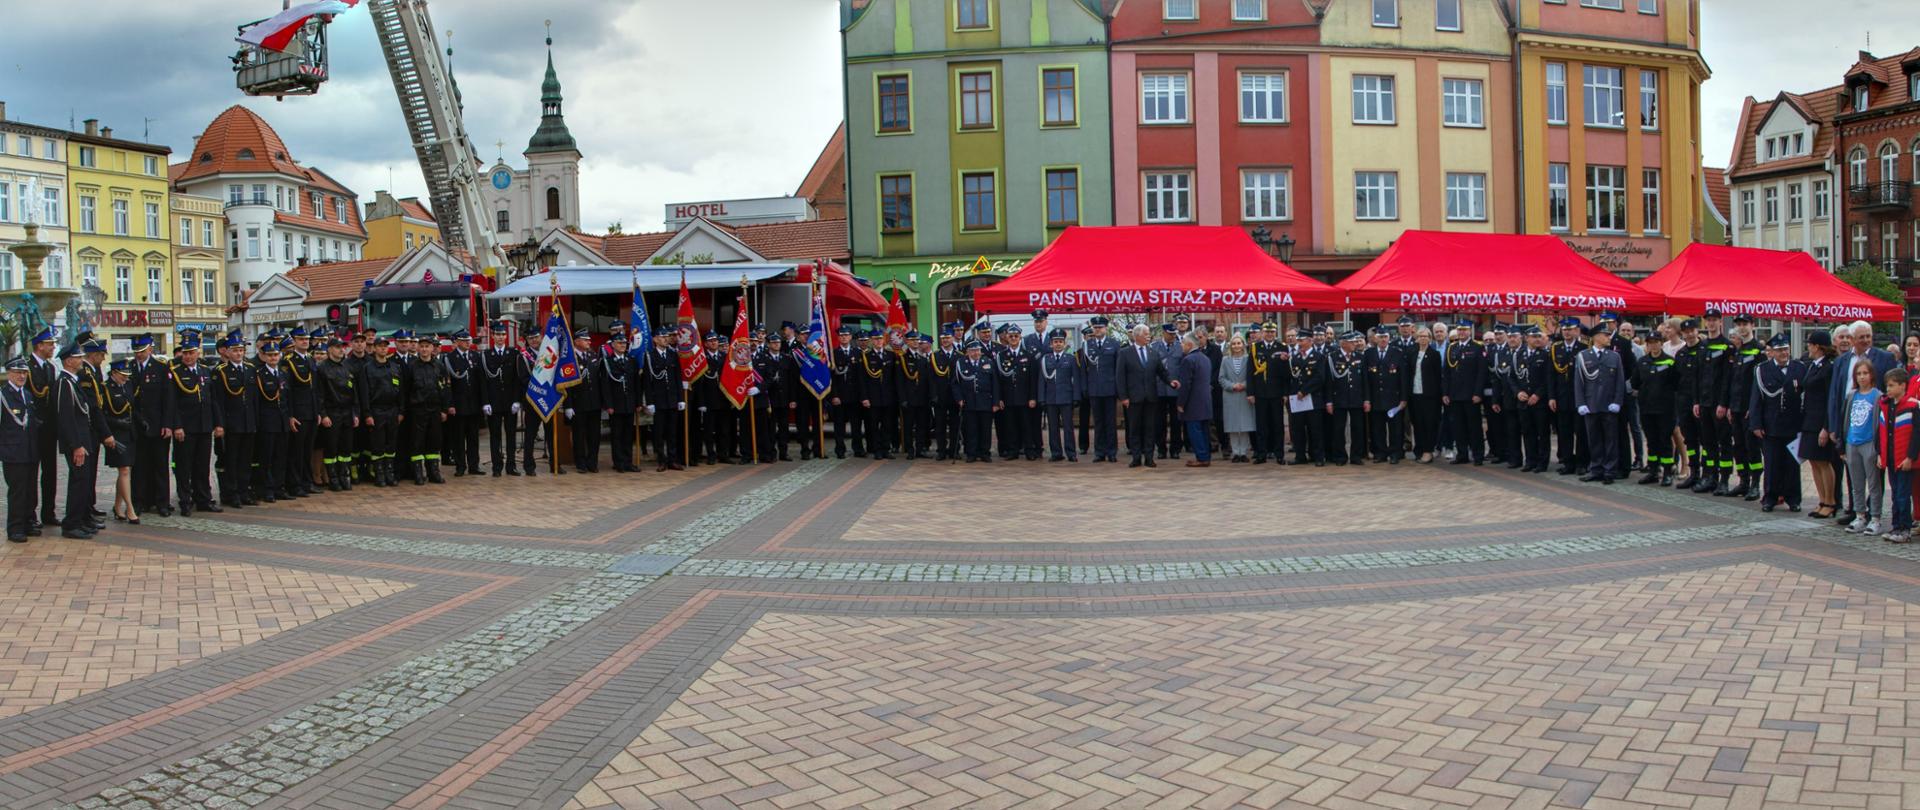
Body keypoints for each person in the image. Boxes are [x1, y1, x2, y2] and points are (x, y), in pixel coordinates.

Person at [54, 344, 108, 538]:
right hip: (76, 443)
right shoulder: (64, 383)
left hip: (84, 439)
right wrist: (76, 445)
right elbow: (66, 418)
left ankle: (81, 519)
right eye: (78, 357)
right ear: (68, 361)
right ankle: (71, 524)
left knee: (84, 482)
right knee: (78, 482)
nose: (81, 360)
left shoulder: (72, 381)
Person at [1750, 333, 1804, 512]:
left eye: (1786, 349)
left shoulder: (1799, 367)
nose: (1784, 353)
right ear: (1771, 352)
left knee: (1792, 465)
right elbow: (1756, 398)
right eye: (1779, 350)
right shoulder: (1762, 370)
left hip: (1793, 423)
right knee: (1772, 464)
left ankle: (1793, 498)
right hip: (1771, 424)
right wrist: (1756, 424)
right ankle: (1770, 498)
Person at [1573, 326, 1625, 484]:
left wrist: (1617, 401)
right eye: (1605, 335)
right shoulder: (1583, 356)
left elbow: (1619, 382)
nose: (1609, 338)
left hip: (1609, 405)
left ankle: (1610, 470)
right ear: (1596, 337)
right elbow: (1578, 382)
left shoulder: (1614, 356)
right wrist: (1581, 403)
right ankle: (1596, 468)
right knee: (1594, 439)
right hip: (1591, 405)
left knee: (1610, 440)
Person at [211, 333, 257, 507]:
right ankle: (232, 493)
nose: (238, 353)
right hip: (232, 422)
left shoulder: (250, 369)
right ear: (228, 352)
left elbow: (254, 399)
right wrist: (220, 424)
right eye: (235, 350)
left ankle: (244, 491)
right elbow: (218, 401)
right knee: (232, 460)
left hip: (248, 421)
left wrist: (255, 421)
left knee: (246, 459)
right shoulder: (221, 372)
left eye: (241, 350)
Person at [1841, 359, 1884, 535]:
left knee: (1873, 483)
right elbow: (1846, 418)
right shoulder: (1852, 395)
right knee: (1856, 483)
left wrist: (1878, 448)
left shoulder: (1878, 396)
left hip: (1869, 443)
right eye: (1858, 374)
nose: (1862, 377)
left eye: (1865, 373)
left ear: (1871, 375)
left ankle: (1875, 518)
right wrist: (1843, 444)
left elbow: (1880, 423)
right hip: (1852, 442)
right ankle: (1860, 515)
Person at [1800, 330, 1840, 518]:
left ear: (1817, 346)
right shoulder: (1813, 366)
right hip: (1809, 420)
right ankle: (1821, 500)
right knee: (1814, 461)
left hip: (1820, 422)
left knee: (1823, 462)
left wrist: (1826, 427)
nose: (1808, 347)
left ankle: (1830, 502)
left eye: (1810, 344)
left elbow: (1829, 399)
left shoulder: (1828, 368)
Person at [1117, 324, 1168, 468]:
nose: (1148, 336)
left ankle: (1149, 457)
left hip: (1150, 397)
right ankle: (1136, 457)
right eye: (1146, 334)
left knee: (1150, 428)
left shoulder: (1153, 352)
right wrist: (1123, 397)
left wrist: (1171, 381)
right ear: (1137, 336)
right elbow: (1120, 376)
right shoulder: (1125, 353)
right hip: (1133, 398)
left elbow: (1161, 372)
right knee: (1135, 428)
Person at [355, 336, 403, 487]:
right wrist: (367, 414)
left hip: (393, 410)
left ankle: (389, 473)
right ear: (374, 348)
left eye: (385, 346)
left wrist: (401, 411)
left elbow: (401, 391)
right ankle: (379, 474)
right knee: (378, 445)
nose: (383, 348)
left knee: (391, 444)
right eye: (380, 346)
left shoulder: (394, 367)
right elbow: (364, 394)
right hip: (376, 410)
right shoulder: (367, 368)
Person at [480, 322, 525, 476]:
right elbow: (483, 381)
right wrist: (485, 402)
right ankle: (497, 466)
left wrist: (517, 400)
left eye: (503, 335)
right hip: (493, 402)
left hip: (509, 401)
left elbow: (517, 379)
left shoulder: (513, 353)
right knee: (495, 436)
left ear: (506, 336)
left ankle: (511, 466)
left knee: (511, 435)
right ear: (493, 336)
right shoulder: (486, 355)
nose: (500, 337)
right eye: (498, 334)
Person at [404, 335, 451, 484]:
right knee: (417, 442)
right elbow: (405, 390)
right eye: (422, 346)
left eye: (427, 346)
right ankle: (418, 473)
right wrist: (406, 410)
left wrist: (444, 409)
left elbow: (445, 388)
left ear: (432, 348)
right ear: (418, 348)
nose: (424, 349)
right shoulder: (411, 366)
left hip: (435, 410)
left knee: (434, 441)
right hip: (417, 410)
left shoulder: (439, 366)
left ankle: (434, 472)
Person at [1632, 334, 1678, 486]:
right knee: (1651, 441)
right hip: (1647, 408)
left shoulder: (1670, 361)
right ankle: (1653, 471)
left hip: (1665, 409)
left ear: (1661, 343)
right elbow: (1635, 382)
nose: (1653, 345)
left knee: (1665, 441)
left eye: (1656, 342)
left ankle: (1667, 472)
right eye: (1650, 343)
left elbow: (1676, 383)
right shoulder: (1642, 362)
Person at [1878, 368, 1917, 542]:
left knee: (1903, 495)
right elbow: (1880, 432)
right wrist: (1880, 454)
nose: (1888, 389)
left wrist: (1910, 457)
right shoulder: (1886, 406)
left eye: (1892, 385)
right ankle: (1896, 527)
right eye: (1887, 385)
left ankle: (1905, 529)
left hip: (1904, 460)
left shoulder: (1913, 406)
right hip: (1891, 458)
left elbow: (1916, 435)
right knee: (1895, 495)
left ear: (1903, 386)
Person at [1, 357, 38, 541]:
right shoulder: (3, 396)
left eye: (24, 373)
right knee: (17, 491)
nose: (22, 376)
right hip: (13, 452)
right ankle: (15, 528)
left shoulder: (28, 395)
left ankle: (28, 522)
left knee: (30, 489)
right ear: (9, 373)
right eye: (18, 372)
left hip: (30, 450)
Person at [316, 336, 360, 491]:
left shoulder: (348, 367)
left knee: (346, 447)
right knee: (331, 448)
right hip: (332, 412)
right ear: (329, 349)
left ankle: (344, 475)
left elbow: (354, 393)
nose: (341, 350)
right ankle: (333, 478)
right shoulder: (322, 368)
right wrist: (324, 414)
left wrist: (355, 413)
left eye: (343, 347)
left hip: (347, 412)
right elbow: (319, 395)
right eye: (338, 347)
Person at [25, 328, 58, 529]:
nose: (53, 347)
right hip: (34, 429)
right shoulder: (27, 368)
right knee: (31, 473)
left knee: (50, 472)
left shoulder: (50, 367)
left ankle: (49, 512)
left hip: (49, 429)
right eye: (50, 344)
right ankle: (30, 514)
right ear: (39, 346)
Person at [1442, 323, 1487, 466]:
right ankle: (1462, 454)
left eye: (1464, 330)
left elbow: (1481, 373)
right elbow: (1447, 373)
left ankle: (1478, 455)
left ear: (1470, 331)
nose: (1461, 332)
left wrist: (1478, 393)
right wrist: (1445, 393)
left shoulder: (1478, 347)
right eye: (1459, 330)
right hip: (1455, 394)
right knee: (1458, 427)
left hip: (1471, 394)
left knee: (1474, 427)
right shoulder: (1452, 347)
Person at [1363, 327, 1410, 463]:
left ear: (1389, 338)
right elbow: (1366, 378)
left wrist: (1403, 399)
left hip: (1393, 398)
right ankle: (1380, 453)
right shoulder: (1369, 353)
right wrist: (1367, 399)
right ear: (1375, 338)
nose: (1383, 339)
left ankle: (1396, 453)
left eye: (1385, 337)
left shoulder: (1397, 353)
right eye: (1380, 337)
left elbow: (1403, 378)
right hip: (1376, 397)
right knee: (1377, 428)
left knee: (1395, 428)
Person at [1322, 331, 1367, 465]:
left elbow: (1365, 380)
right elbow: (1328, 382)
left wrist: (1367, 399)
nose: (1355, 344)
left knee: (1358, 428)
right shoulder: (1332, 357)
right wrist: (1329, 401)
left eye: (1356, 341)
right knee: (1338, 429)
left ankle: (1356, 456)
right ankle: (1340, 456)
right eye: (1352, 342)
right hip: (1339, 399)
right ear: (1343, 343)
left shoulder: (1360, 356)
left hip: (1356, 398)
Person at [1550, 317, 1589, 475]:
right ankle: (1567, 462)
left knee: (1581, 432)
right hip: (1561, 397)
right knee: (1564, 432)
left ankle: (1582, 462)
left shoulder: (1584, 348)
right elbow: (1551, 376)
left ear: (1577, 330)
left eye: (1570, 329)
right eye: (1564, 329)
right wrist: (1552, 397)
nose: (1566, 332)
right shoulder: (1556, 348)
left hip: (1578, 398)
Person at [253, 340, 291, 500]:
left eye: (276, 354)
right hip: (268, 422)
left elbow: (287, 399)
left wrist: (289, 418)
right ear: (264, 356)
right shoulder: (260, 375)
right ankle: (267, 489)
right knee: (267, 458)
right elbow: (257, 401)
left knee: (280, 457)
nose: (273, 358)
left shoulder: (283, 374)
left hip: (282, 422)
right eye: (270, 355)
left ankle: (279, 487)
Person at [1036, 328, 1081, 462]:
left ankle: (1071, 453)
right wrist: (1041, 398)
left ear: (1064, 343)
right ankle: (1056, 453)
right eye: (1055, 342)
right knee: (1053, 427)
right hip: (1051, 398)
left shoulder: (1071, 359)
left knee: (1068, 427)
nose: (1058, 344)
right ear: (1051, 344)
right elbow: (1042, 380)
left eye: (1060, 341)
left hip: (1066, 398)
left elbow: (1076, 379)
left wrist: (1076, 397)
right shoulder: (1045, 359)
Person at [643, 325, 684, 471]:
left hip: (672, 399)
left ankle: (672, 459)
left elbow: (677, 377)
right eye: (662, 337)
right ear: (655, 339)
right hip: (658, 400)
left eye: (667, 337)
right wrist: (650, 402)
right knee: (658, 432)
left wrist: (680, 398)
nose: (666, 339)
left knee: (672, 432)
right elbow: (647, 381)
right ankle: (661, 460)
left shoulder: (673, 355)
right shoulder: (650, 356)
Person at [1082, 317, 1120, 463]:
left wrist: (1118, 388)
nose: (1097, 330)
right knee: (1098, 422)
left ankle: (1112, 452)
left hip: (1110, 388)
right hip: (1094, 389)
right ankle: (1099, 452)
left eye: (1100, 327)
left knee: (1110, 422)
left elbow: (1118, 369)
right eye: (1095, 327)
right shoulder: (1087, 345)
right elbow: (1083, 370)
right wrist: (1085, 387)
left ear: (1106, 328)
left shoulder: (1114, 344)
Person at [953, 339, 999, 463]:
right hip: (969, 402)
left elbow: (995, 384)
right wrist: (959, 398)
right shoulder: (961, 363)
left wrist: (995, 402)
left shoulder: (988, 362)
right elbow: (955, 383)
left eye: (978, 350)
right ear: (967, 352)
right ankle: (971, 453)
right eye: (973, 351)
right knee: (971, 429)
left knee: (985, 429)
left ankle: (985, 453)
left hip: (985, 401)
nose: (976, 353)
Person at [602, 331, 642, 472]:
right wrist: (609, 405)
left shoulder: (631, 360)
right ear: (613, 345)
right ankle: (618, 462)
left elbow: (637, 383)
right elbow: (606, 386)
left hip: (629, 403)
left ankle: (628, 462)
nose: (623, 345)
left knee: (628, 435)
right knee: (617, 435)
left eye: (624, 343)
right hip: (616, 404)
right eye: (619, 343)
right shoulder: (608, 362)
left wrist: (638, 402)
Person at [566, 329, 603, 472]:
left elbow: (599, 380)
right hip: (578, 403)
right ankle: (580, 463)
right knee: (579, 435)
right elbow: (567, 384)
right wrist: (568, 405)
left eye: (589, 339)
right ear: (576, 341)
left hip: (594, 403)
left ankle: (592, 462)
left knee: (594, 435)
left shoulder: (593, 355)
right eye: (585, 339)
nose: (589, 342)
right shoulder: (570, 358)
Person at [1175, 333, 1214, 467]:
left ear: (1189, 345)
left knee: (1194, 431)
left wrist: (1181, 403)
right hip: (1205, 400)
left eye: (1183, 343)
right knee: (1204, 431)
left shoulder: (1188, 360)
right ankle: (1206, 456)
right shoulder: (1205, 358)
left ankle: (1201, 457)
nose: (1181, 345)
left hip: (1193, 402)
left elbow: (1185, 384)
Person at [1407, 327, 1443, 463]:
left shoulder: (1434, 354)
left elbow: (1438, 376)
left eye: (1425, 336)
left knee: (1429, 423)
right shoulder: (1412, 353)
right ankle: (1419, 449)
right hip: (1415, 394)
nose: (1423, 338)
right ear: (1417, 338)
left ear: (1430, 338)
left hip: (1430, 396)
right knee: (1417, 423)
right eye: (1420, 336)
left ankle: (1428, 451)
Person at [1155, 325, 1184, 460]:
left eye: (1174, 333)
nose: (1173, 336)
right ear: (1164, 333)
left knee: (1176, 422)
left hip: (1175, 390)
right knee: (1159, 421)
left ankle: (1175, 449)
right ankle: (1161, 449)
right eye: (1170, 333)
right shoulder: (1154, 347)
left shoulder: (1180, 347)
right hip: (1159, 389)